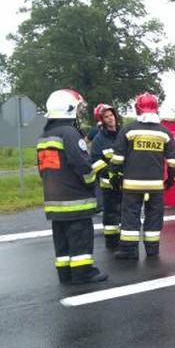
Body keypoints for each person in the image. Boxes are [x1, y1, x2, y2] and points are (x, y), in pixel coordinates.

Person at [36, 89, 108, 284]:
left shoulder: (45, 136)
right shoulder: (69, 133)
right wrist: (94, 180)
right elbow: (82, 166)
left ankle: (65, 273)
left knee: (62, 241)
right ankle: (84, 273)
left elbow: (42, 170)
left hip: (54, 201)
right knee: (80, 238)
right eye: (77, 109)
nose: (78, 113)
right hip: (75, 200)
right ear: (69, 110)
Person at [109, 92, 175, 260]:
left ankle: (129, 250)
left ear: (137, 109)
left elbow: (117, 158)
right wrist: (170, 179)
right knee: (154, 216)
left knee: (130, 215)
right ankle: (152, 250)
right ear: (156, 110)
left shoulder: (128, 129)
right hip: (155, 186)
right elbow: (172, 161)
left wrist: (114, 175)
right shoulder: (164, 132)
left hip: (132, 185)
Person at [90, 104, 122, 248]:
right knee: (110, 213)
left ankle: (125, 239)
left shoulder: (123, 134)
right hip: (108, 183)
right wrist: (111, 175)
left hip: (124, 182)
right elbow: (96, 162)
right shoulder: (99, 139)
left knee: (125, 211)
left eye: (111, 115)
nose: (110, 118)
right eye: (106, 117)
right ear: (102, 120)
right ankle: (111, 242)